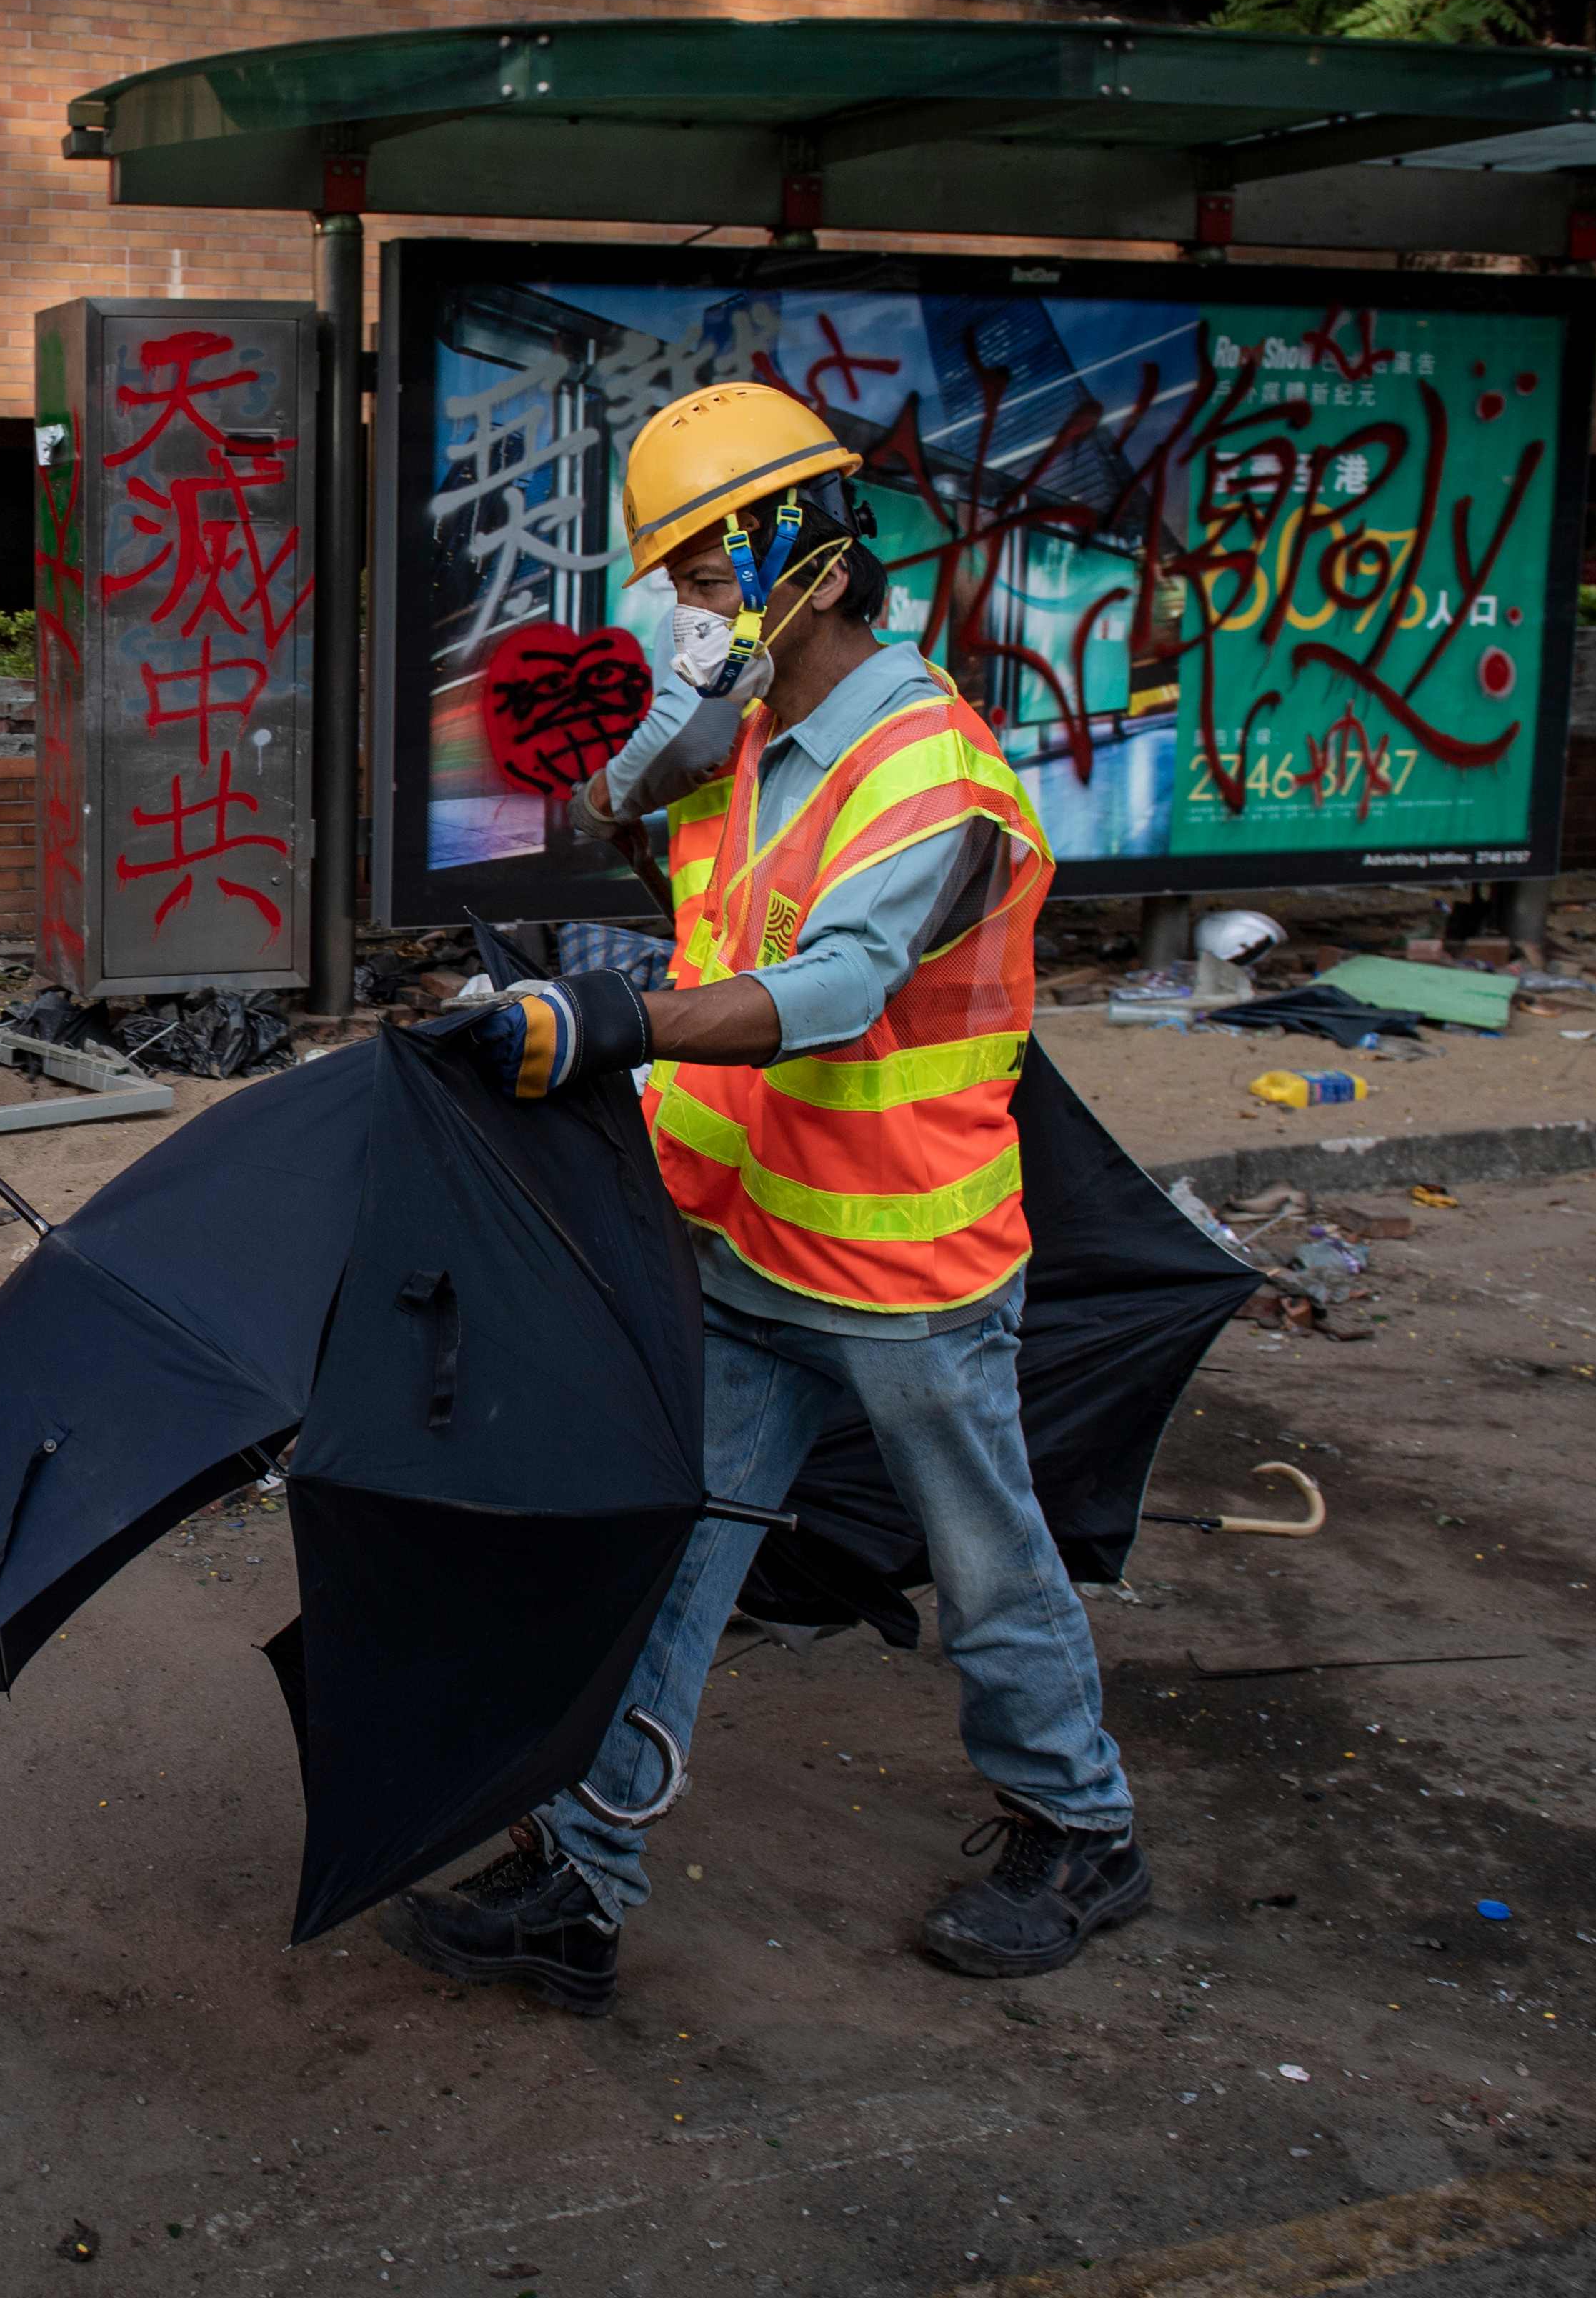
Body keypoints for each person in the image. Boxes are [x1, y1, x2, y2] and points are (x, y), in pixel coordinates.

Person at [385, 383, 1144, 2017]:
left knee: (989, 1560)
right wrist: (711, 679)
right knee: (668, 1561)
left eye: (700, 574)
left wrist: (612, 1023)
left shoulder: (921, 763)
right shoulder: (748, 731)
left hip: (908, 1267)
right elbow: (619, 801)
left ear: (794, 547)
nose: (679, 602)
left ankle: (1081, 1827)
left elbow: (842, 991)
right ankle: (581, 1879)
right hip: (742, 1242)